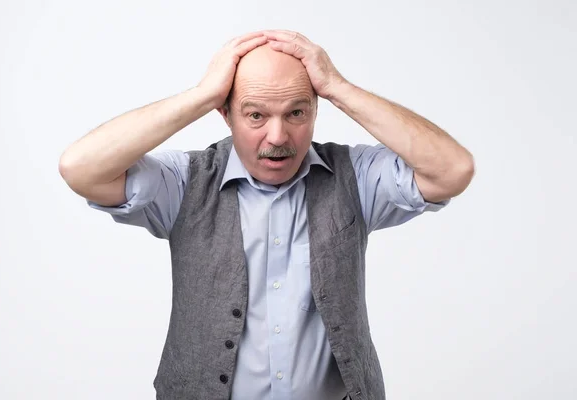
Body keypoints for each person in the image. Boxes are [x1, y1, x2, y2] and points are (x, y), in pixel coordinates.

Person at [59, 30, 474, 400]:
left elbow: (452, 170)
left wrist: (338, 86)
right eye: (256, 115)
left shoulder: (356, 178)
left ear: (315, 110)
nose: (278, 137)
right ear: (225, 114)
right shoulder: (185, 183)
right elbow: (81, 168)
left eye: (296, 113)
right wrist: (202, 94)